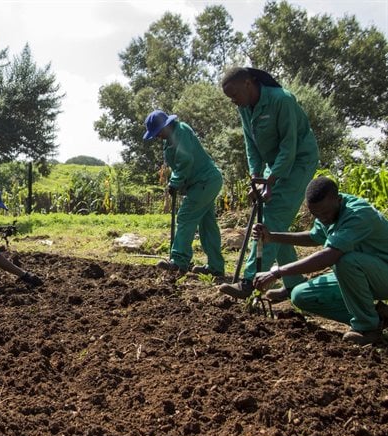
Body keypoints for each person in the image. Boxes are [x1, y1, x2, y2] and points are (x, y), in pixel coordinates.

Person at [218, 67, 319, 299]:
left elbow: (289, 145)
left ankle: (249, 281)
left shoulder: (282, 100)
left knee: (271, 218)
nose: (233, 101)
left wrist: (271, 180)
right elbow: (251, 145)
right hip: (274, 164)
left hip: (299, 161)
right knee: (276, 221)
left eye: (234, 94)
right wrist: (256, 177)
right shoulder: (245, 108)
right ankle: (294, 284)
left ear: (248, 84)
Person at [253, 177, 388, 345]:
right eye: (316, 215)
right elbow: (313, 237)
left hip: (382, 273)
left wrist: (277, 272)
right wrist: (272, 237)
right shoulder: (327, 209)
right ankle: (378, 317)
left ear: (338, 200)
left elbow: (329, 256)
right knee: (301, 295)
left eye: (325, 214)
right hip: (362, 273)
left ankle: (367, 328)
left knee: (345, 261)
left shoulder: (358, 215)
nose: (322, 218)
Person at [143, 110, 225, 276]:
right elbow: (177, 165)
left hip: (205, 181)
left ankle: (179, 261)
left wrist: (175, 182)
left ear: (166, 126)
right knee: (207, 224)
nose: (157, 136)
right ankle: (216, 267)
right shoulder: (170, 139)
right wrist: (176, 182)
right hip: (202, 183)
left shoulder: (181, 131)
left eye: (158, 132)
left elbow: (185, 160)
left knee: (186, 216)